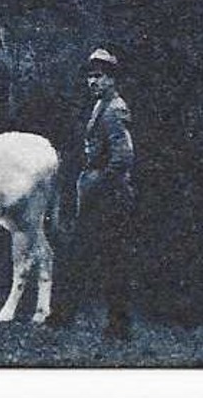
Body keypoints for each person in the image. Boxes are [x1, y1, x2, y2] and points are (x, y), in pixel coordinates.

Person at [72, 46, 137, 341]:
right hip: (97, 194)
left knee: (113, 263)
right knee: (80, 254)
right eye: (90, 77)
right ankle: (62, 317)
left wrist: (99, 185)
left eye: (99, 77)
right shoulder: (100, 105)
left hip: (111, 197)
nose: (92, 82)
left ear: (112, 79)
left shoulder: (114, 109)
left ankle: (118, 326)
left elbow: (123, 157)